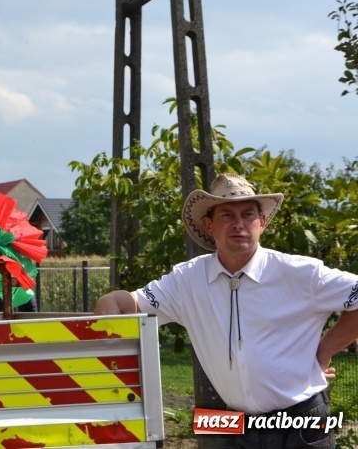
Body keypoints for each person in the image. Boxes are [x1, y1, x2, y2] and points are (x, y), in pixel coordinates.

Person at [95, 173, 358, 448]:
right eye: (227, 216)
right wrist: (112, 299)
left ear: (262, 222)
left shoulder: (301, 273)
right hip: (232, 423)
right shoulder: (187, 280)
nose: (239, 225)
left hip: (301, 421)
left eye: (248, 215)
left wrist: (324, 349)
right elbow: (134, 305)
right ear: (209, 225)